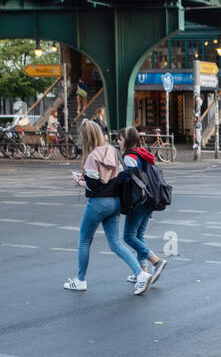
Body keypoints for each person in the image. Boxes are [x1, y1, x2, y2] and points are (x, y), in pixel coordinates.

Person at [66, 119, 153, 296]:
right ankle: (141, 274)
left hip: (98, 204)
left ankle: (80, 280)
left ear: (86, 138)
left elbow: (93, 186)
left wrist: (79, 180)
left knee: (84, 240)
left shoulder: (92, 157)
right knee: (116, 243)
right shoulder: (113, 150)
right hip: (115, 203)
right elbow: (120, 178)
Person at [120, 126, 170, 287]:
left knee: (128, 236)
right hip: (150, 199)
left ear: (127, 141)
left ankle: (156, 261)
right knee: (139, 236)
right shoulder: (143, 153)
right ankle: (142, 272)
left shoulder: (129, 157)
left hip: (138, 201)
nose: (118, 142)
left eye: (120, 139)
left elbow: (128, 181)